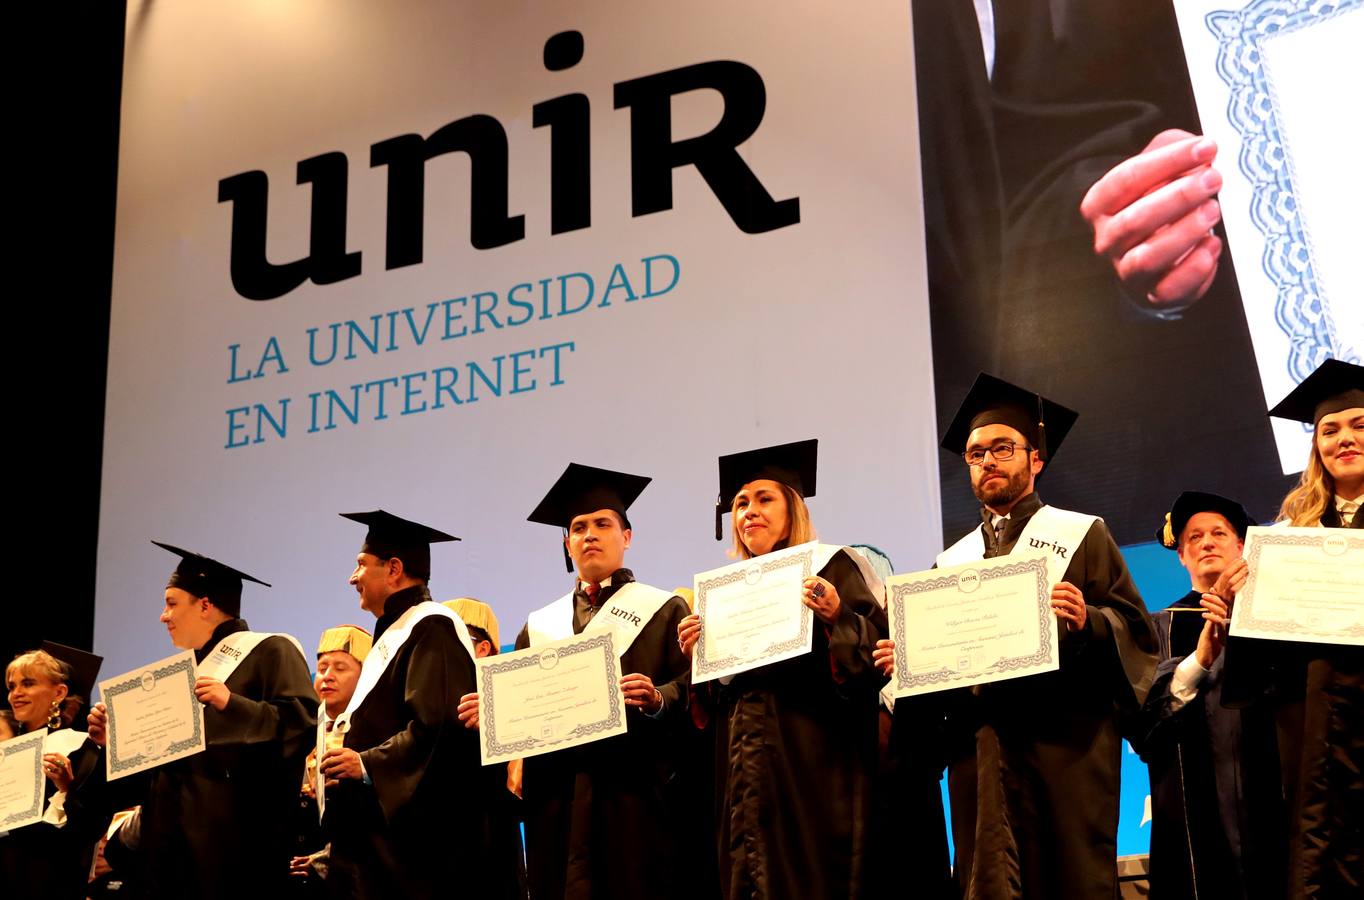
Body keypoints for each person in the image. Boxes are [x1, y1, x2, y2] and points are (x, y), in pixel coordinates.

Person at [875, 374, 1157, 899]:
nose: (988, 461)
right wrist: (909, 664)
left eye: (1002, 448)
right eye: (975, 453)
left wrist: (1088, 620)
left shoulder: (1081, 535)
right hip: (980, 755)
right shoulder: (949, 563)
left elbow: (1135, 631)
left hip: (1062, 753)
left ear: (1036, 460)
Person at [459, 464, 692, 899]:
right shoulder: (537, 626)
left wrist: (659, 699)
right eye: (578, 527)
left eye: (603, 524)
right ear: (567, 543)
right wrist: (493, 716)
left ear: (627, 537)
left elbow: (693, 687)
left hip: (633, 799)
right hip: (556, 804)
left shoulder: (664, 611)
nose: (590, 534)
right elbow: (525, 722)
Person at [677, 439, 889, 900]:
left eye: (764, 499)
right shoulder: (721, 594)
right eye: (740, 503)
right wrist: (698, 659)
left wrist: (838, 617)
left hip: (814, 767)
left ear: (792, 508)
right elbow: (712, 704)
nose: (750, 511)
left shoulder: (833, 566)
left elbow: (881, 657)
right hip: (741, 772)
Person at [84, 542, 317, 900]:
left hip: (232, 857)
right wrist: (110, 742)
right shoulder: (175, 679)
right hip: (166, 858)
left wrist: (233, 704)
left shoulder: (271, 650)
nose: (163, 615)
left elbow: (301, 725)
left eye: (172, 603)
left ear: (205, 605)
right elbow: (148, 777)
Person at [1221, 359, 1363, 898]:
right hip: (1312, 721)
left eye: (1359, 426)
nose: (1344, 439)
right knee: (1316, 845)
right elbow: (1266, 658)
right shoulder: (1290, 537)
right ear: (1316, 448)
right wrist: (1245, 605)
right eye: (1330, 430)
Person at [321, 509, 502, 900]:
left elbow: (437, 727)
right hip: (376, 845)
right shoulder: (398, 631)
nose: (352, 578)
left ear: (394, 569)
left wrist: (366, 763)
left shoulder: (431, 628)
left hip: (412, 855)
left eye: (361, 565)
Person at [1138, 492, 1284, 899]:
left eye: (1219, 533)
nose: (1206, 542)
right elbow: (1143, 726)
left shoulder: (1279, 621)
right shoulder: (1158, 628)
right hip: (1192, 829)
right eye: (1194, 537)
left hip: (1276, 811)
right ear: (1181, 555)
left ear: (1241, 546)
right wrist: (1201, 657)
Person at [0, 643, 106, 899]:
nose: (16, 694)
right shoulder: (8, 752)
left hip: (49, 882)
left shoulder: (80, 746)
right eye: (12, 686)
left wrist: (66, 788)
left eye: (27, 683)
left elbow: (91, 826)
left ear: (59, 692)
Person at [290, 624, 372, 894]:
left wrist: (326, 859)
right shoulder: (301, 731)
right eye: (322, 667)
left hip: (354, 878)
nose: (327, 676)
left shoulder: (374, 736)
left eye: (340, 668)